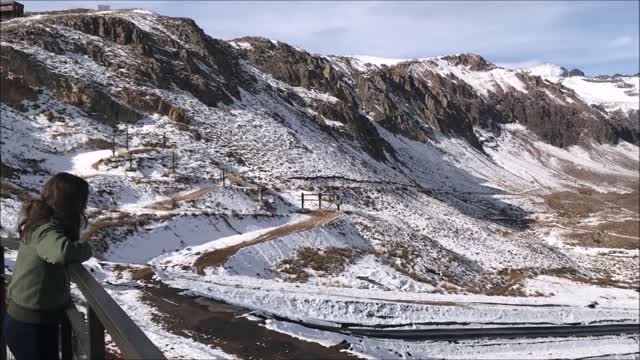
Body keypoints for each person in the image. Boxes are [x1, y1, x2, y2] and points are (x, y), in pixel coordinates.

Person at [3, 173, 93, 360]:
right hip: (30, 325)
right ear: (72, 204)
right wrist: (86, 249)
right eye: (82, 202)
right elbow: (61, 252)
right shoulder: (46, 229)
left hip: (33, 321)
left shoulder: (40, 223)